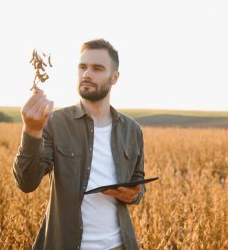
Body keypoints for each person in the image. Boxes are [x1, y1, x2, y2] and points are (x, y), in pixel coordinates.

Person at [13, 38, 145, 250]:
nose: (87, 74)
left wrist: (134, 194)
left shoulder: (132, 130)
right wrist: (31, 131)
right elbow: (26, 183)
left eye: (97, 68)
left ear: (115, 77)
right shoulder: (55, 123)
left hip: (120, 245)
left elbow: (138, 183)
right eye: (82, 67)